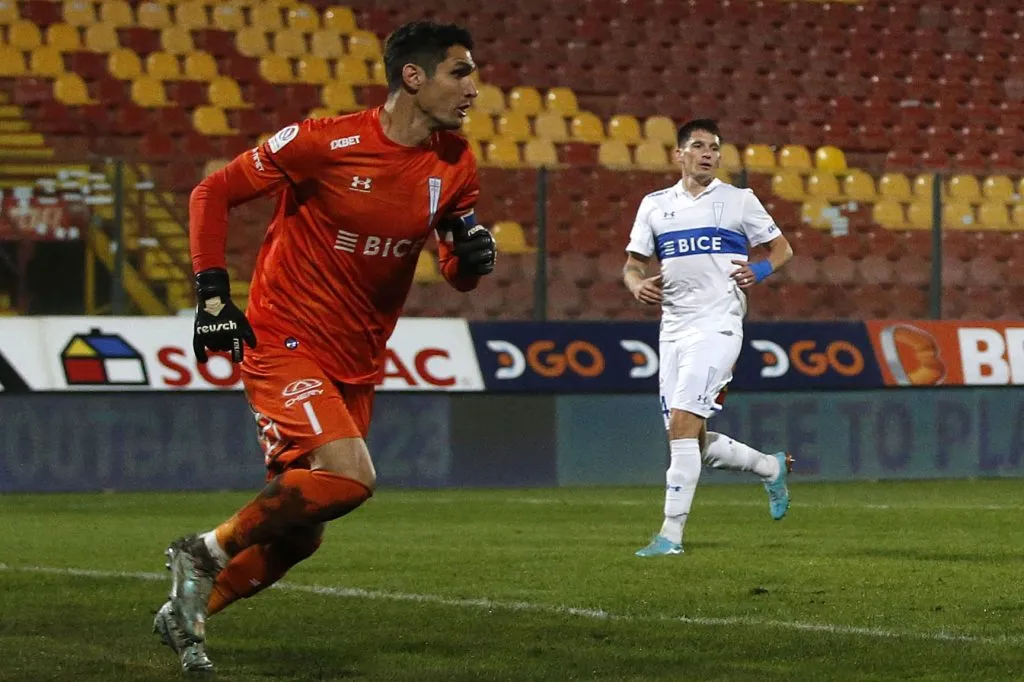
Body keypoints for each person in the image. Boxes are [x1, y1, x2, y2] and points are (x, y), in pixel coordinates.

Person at [151, 21, 495, 672]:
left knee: (300, 534)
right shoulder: (324, 142)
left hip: (357, 359)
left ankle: (189, 609)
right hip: (285, 336)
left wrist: (471, 262)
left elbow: (457, 268)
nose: (473, 88)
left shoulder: (455, 163)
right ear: (413, 77)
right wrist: (213, 295)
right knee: (350, 477)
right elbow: (212, 192)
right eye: (460, 73)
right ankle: (203, 552)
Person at [622, 119, 794, 558]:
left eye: (714, 148)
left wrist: (759, 269)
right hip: (673, 329)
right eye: (698, 146)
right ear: (678, 154)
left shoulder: (739, 200)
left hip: (719, 325)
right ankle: (769, 467)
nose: (708, 154)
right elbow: (633, 264)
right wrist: (636, 284)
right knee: (689, 439)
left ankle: (670, 536)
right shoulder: (655, 205)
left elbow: (782, 249)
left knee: (683, 423)